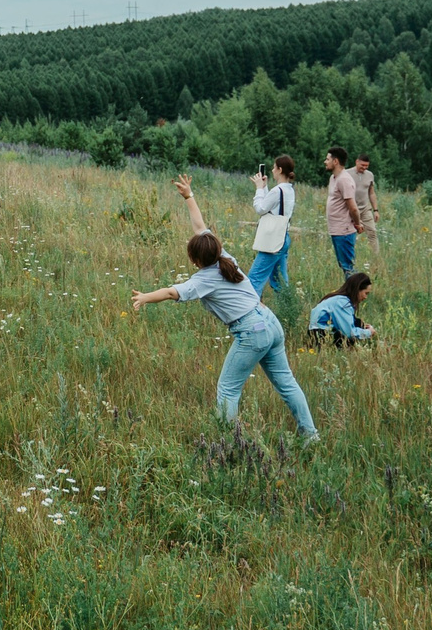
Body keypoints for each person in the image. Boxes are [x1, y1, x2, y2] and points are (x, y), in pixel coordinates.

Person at [132, 175, 319, 443]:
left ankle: (229, 445)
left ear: (196, 260)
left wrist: (145, 297)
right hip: (270, 321)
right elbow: (200, 226)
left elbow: (172, 292)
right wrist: (188, 196)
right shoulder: (224, 258)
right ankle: (310, 436)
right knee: (287, 384)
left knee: (227, 390)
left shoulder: (203, 279)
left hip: (252, 332)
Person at [247, 155, 296, 299]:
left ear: (280, 170)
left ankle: (250, 311)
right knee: (279, 281)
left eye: (274, 167)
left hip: (273, 240)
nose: (273, 170)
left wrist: (259, 189)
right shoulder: (288, 189)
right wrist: (265, 187)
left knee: (255, 278)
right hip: (283, 238)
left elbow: (261, 208)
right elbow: (273, 205)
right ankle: (287, 309)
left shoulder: (278, 191)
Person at [323, 147, 363, 274]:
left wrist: (357, 223)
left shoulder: (344, 180)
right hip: (336, 229)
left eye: (327, 159)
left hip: (344, 231)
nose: (325, 161)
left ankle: (356, 292)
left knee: (348, 267)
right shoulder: (333, 178)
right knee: (343, 265)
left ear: (335, 161)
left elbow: (353, 207)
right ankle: (351, 291)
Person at [306, 273, 375, 346]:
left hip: (317, 333)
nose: (365, 297)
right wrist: (368, 333)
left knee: (358, 323)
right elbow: (349, 333)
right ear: (357, 289)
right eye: (366, 293)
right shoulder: (342, 303)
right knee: (351, 336)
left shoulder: (338, 299)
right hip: (321, 335)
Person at [352, 155, 380, 246]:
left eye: (366, 166)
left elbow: (371, 193)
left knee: (372, 233)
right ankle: (350, 257)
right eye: (362, 165)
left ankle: (375, 257)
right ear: (357, 162)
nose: (364, 168)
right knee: (350, 235)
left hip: (365, 209)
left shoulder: (370, 175)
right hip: (351, 210)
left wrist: (375, 210)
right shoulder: (346, 174)